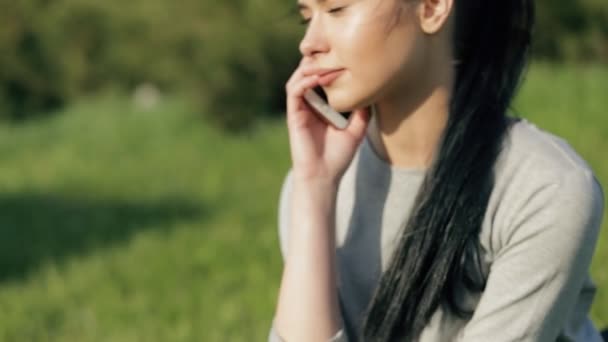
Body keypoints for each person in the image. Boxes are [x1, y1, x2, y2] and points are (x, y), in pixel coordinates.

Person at [269, 0, 605, 341]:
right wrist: (315, 188)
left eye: (337, 9)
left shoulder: (544, 190)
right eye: (306, 17)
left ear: (431, 8)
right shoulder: (309, 191)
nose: (308, 43)